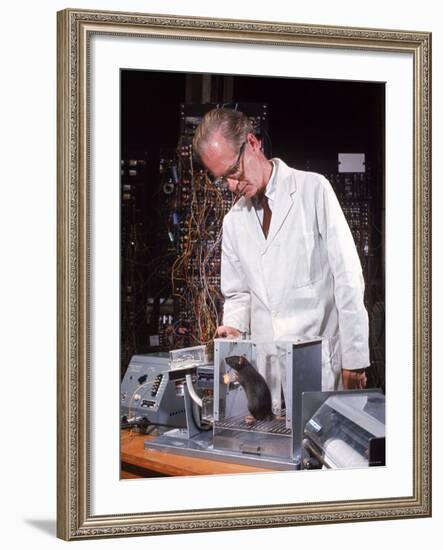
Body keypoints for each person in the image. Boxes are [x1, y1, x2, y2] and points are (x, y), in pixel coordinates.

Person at [192, 108, 369, 396]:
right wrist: (234, 328)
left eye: (234, 172)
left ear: (252, 143)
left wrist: (355, 358)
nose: (233, 186)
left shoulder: (313, 190)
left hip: (320, 364)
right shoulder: (234, 221)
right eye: (223, 179)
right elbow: (238, 294)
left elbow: (347, 277)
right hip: (265, 373)